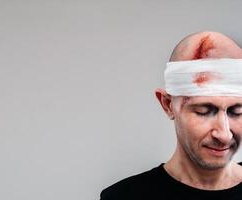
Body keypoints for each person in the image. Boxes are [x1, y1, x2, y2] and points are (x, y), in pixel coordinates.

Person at [100, 31, 242, 199]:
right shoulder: (124, 196)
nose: (224, 135)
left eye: (237, 112)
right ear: (167, 104)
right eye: (204, 111)